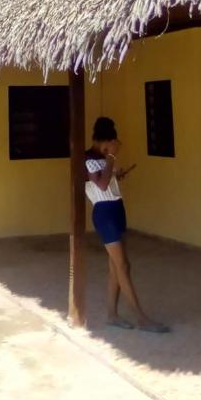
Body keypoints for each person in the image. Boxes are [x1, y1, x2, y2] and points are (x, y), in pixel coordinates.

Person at [85, 116, 169, 333]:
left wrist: (116, 174)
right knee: (123, 265)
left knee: (116, 267)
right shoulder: (88, 159)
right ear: (101, 140)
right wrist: (112, 157)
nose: (108, 149)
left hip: (116, 209)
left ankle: (112, 314)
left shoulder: (103, 159)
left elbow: (107, 181)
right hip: (104, 213)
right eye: (107, 145)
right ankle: (141, 317)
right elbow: (102, 186)